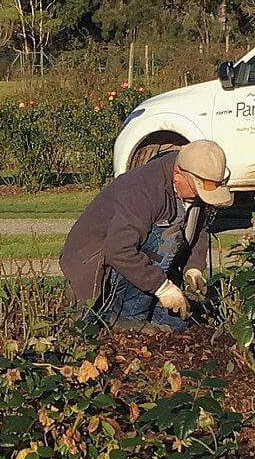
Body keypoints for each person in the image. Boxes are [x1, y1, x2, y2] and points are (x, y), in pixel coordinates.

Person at [61, 140, 235, 330]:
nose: (201, 198)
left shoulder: (190, 186)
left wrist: (194, 268)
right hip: (97, 262)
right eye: (197, 192)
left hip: (143, 262)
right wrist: (162, 287)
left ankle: (152, 321)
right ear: (178, 174)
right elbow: (119, 250)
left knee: (178, 325)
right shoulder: (142, 191)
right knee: (98, 328)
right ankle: (127, 318)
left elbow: (198, 227)